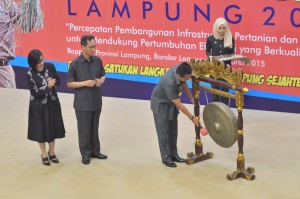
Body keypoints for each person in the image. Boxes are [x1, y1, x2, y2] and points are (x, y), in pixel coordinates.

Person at [67, 35, 107, 165]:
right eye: (91, 47)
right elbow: (70, 84)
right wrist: (84, 83)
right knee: (84, 130)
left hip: (96, 101)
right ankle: (85, 154)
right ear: (83, 47)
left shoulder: (98, 61)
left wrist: (101, 81)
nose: (94, 49)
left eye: (95, 46)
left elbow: (103, 75)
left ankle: (96, 151)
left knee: (94, 128)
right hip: (82, 103)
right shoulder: (75, 64)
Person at [151, 62, 200, 168]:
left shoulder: (181, 69)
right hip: (161, 105)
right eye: (186, 78)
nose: (188, 79)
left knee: (173, 131)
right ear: (179, 76)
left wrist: (191, 98)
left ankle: (174, 155)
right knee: (164, 134)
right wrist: (192, 118)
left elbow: (185, 83)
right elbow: (179, 104)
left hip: (171, 103)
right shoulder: (169, 82)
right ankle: (166, 158)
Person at [26, 49, 65, 166]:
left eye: (42, 59)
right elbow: (35, 92)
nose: (42, 63)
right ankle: (43, 152)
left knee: (53, 127)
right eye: (38, 62)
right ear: (33, 64)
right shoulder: (30, 74)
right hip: (38, 106)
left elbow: (58, 80)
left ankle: (52, 151)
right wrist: (48, 86)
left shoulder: (50, 66)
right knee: (41, 129)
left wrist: (54, 82)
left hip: (52, 103)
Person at [1, 0, 43, 88]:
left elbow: (27, 24)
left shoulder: (6, 4)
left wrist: (32, 3)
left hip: (3, 69)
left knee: (9, 101)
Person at [206, 17, 235, 105]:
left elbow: (232, 53)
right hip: (214, 68)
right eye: (220, 28)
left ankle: (225, 113)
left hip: (226, 69)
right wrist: (210, 57)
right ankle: (215, 112)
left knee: (225, 93)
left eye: (223, 28)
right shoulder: (210, 38)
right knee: (215, 92)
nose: (222, 30)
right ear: (216, 28)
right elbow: (207, 51)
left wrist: (230, 57)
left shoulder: (230, 38)